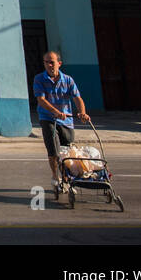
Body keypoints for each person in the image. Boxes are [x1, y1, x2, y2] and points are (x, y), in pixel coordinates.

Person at [33, 50, 90, 192]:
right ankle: (55, 177)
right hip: (48, 119)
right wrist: (56, 112)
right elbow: (41, 100)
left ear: (59, 63)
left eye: (52, 62)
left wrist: (82, 113)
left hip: (66, 121)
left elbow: (77, 97)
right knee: (54, 151)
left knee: (68, 151)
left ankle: (66, 179)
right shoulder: (39, 79)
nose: (49, 65)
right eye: (46, 62)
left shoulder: (68, 80)